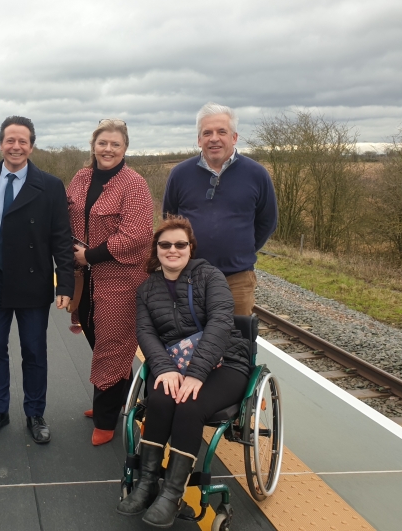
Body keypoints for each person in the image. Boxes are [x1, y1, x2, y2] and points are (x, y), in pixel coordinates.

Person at [116, 216, 251, 527]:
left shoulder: (210, 277)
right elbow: (145, 333)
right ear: (156, 249)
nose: (172, 250)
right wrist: (164, 367)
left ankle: (172, 494)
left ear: (190, 248)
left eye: (180, 244)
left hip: (225, 362)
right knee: (160, 400)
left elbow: (220, 322)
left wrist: (196, 372)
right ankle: (148, 483)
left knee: (189, 406)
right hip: (175, 364)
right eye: (165, 244)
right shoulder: (147, 288)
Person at [0, 116, 74, 444]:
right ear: (0, 144)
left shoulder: (50, 186)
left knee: (34, 350)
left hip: (32, 279)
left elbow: (62, 239)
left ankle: (35, 412)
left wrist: (65, 284)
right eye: (9, 140)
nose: (15, 146)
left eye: (22, 141)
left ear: (31, 145)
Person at [65, 119, 152, 446]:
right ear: (94, 145)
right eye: (103, 143)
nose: (108, 149)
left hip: (120, 277)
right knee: (92, 330)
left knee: (112, 344)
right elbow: (66, 212)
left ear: (125, 148)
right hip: (83, 278)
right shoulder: (81, 177)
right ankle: (115, 396)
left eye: (116, 144)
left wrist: (90, 256)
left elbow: (137, 234)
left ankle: (105, 418)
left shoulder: (134, 184)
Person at [162, 102, 277, 315]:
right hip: (188, 278)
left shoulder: (257, 174)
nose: (214, 138)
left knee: (235, 344)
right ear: (199, 140)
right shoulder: (179, 175)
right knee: (189, 343)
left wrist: (242, 250)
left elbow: (267, 221)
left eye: (221, 131)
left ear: (234, 137)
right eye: (207, 133)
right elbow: (169, 221)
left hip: (237, 281)